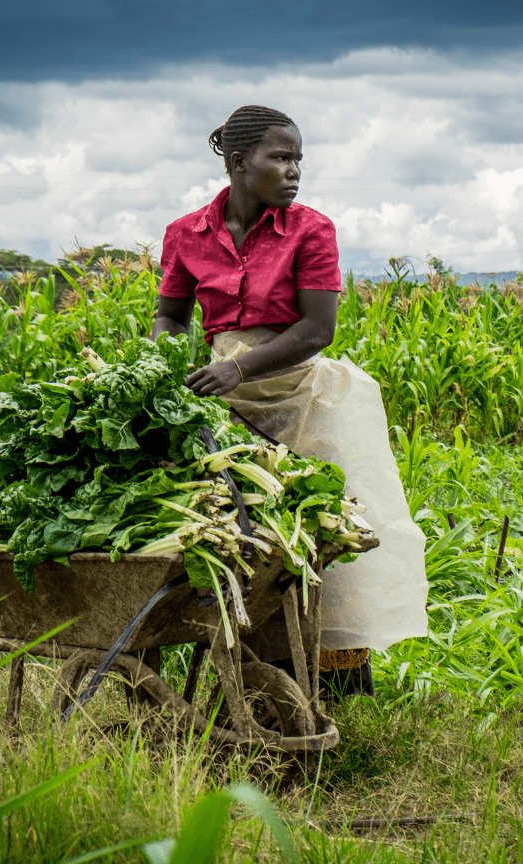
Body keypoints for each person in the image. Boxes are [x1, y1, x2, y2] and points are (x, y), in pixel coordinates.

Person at [151, 105, 428, 698]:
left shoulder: (311, 229)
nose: (294, 170)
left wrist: (237, 367)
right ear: (237, 162)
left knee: (324, 537)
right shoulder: (185, 235)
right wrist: (170, 360)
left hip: (306, 396)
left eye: (298, 158)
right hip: (223, 405)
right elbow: (169, 317)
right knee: (245, 539)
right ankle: (256, 679)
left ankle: (334, 689)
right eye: (280, 157)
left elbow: (316, 330)